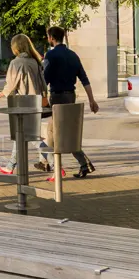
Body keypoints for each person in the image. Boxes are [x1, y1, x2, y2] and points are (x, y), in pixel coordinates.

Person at [42, 26, 99, 178]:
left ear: (51, 38)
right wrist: (92, 100)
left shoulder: (50, 55)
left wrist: (41, 97)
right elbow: (84, 79)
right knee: (65, 132)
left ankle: (53, 165)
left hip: (57, 98)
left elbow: (44, 80)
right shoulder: (73, 55)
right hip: (70, 96)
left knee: (54, 133)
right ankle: (81, 164)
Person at [0, 34, 51, 176]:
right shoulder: (34, 62)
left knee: (32, 138)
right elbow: (43, 84)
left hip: (23, 104)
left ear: (16, 47)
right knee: (21, 135)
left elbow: (11, 85)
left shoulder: (16, 63)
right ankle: (10, 166)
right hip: (36, 103)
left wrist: (1, 94)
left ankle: (56, 164)